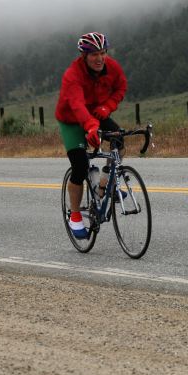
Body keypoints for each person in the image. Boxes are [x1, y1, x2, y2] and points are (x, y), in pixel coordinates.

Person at [55, 32, 127, 240]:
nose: (100, 58)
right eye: (94, 54)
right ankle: (75, 215)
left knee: (119, 141)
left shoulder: (112, 67)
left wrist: (108, 107)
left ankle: (104, 187)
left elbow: (121, 87)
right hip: (72, 119)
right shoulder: (72, 75)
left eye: (103, 53)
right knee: (79, 165)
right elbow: (77, 106)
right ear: (84, 56)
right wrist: (91, 128)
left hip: (96, 112)